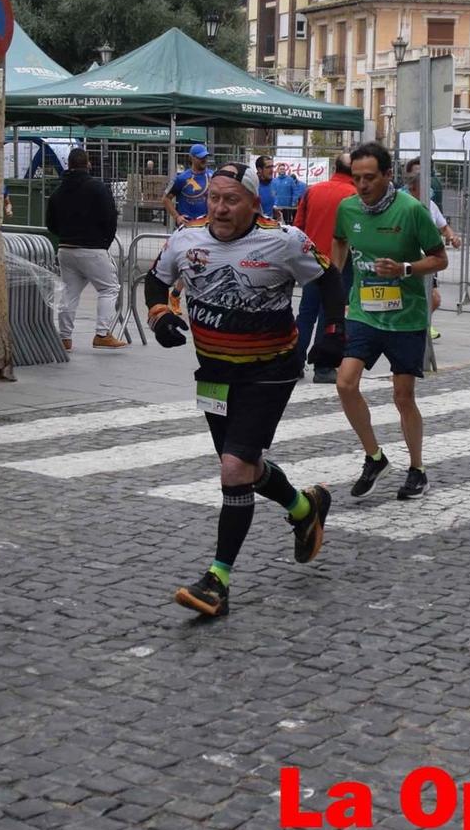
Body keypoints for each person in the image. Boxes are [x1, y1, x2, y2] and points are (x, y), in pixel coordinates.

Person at [145, 163, 348, 618]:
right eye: (214, 197)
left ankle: (217, 580)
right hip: (215, 371)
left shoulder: (283, 240)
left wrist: (334, 330)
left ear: (254, 203)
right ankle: (304, 508)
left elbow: (329, 278)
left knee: (234, 468)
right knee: (245, 466)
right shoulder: (186, 238)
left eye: (231, 199)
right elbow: (156, 279)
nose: (219, 208)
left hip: (270, 368)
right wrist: (160, 313)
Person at [330, 142, 448, 501]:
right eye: (356, 178)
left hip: (405, 316)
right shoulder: (347, 207)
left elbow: (439, 258)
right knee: (345, 384)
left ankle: (417, 469)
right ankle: (374, 457)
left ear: (386, 176)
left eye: (369, 178)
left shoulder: (411, 210)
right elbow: (339, 242)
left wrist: (405, 269)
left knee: (402, 396)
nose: (362, 186)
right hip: (364, 312)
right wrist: (334, 283)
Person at [43, 148, 125, 351]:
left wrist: (64, 236)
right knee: (109, 288)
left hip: (65, 248)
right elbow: (110, 217)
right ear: (88, 164)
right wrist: (104, 242)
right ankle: (102, 333)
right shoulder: (98, 188)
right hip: (93, 247)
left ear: (68, 165)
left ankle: (65, 338)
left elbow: (51, 224)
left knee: (70, 292)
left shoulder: (57, 192)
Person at [293, 155, 358, 382]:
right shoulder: (354, 196)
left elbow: (298, 227)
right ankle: (323, 367)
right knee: (331, 315)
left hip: (311, 260)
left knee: (306, 313)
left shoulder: (313, 191)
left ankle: (295, 362)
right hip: (340, 264)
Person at [406, 156, 461, 331]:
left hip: (428, 261)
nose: (419, 178)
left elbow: (444, 226)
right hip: (407, 261)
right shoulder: (400, 203)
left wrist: (453, 237)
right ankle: (416, 325)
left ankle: (421, 325)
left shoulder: (430, 205)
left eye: (423, 174)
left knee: (433, 299)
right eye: (415, 174)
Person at [163, 144, 212, 226]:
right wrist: (177, 217)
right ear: (191, 158)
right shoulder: (181, 178)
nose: (204, 160)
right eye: (200, 157)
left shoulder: (213, 176)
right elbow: (165, 199)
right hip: (188, 226)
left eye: (205, 157)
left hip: (207, 226)